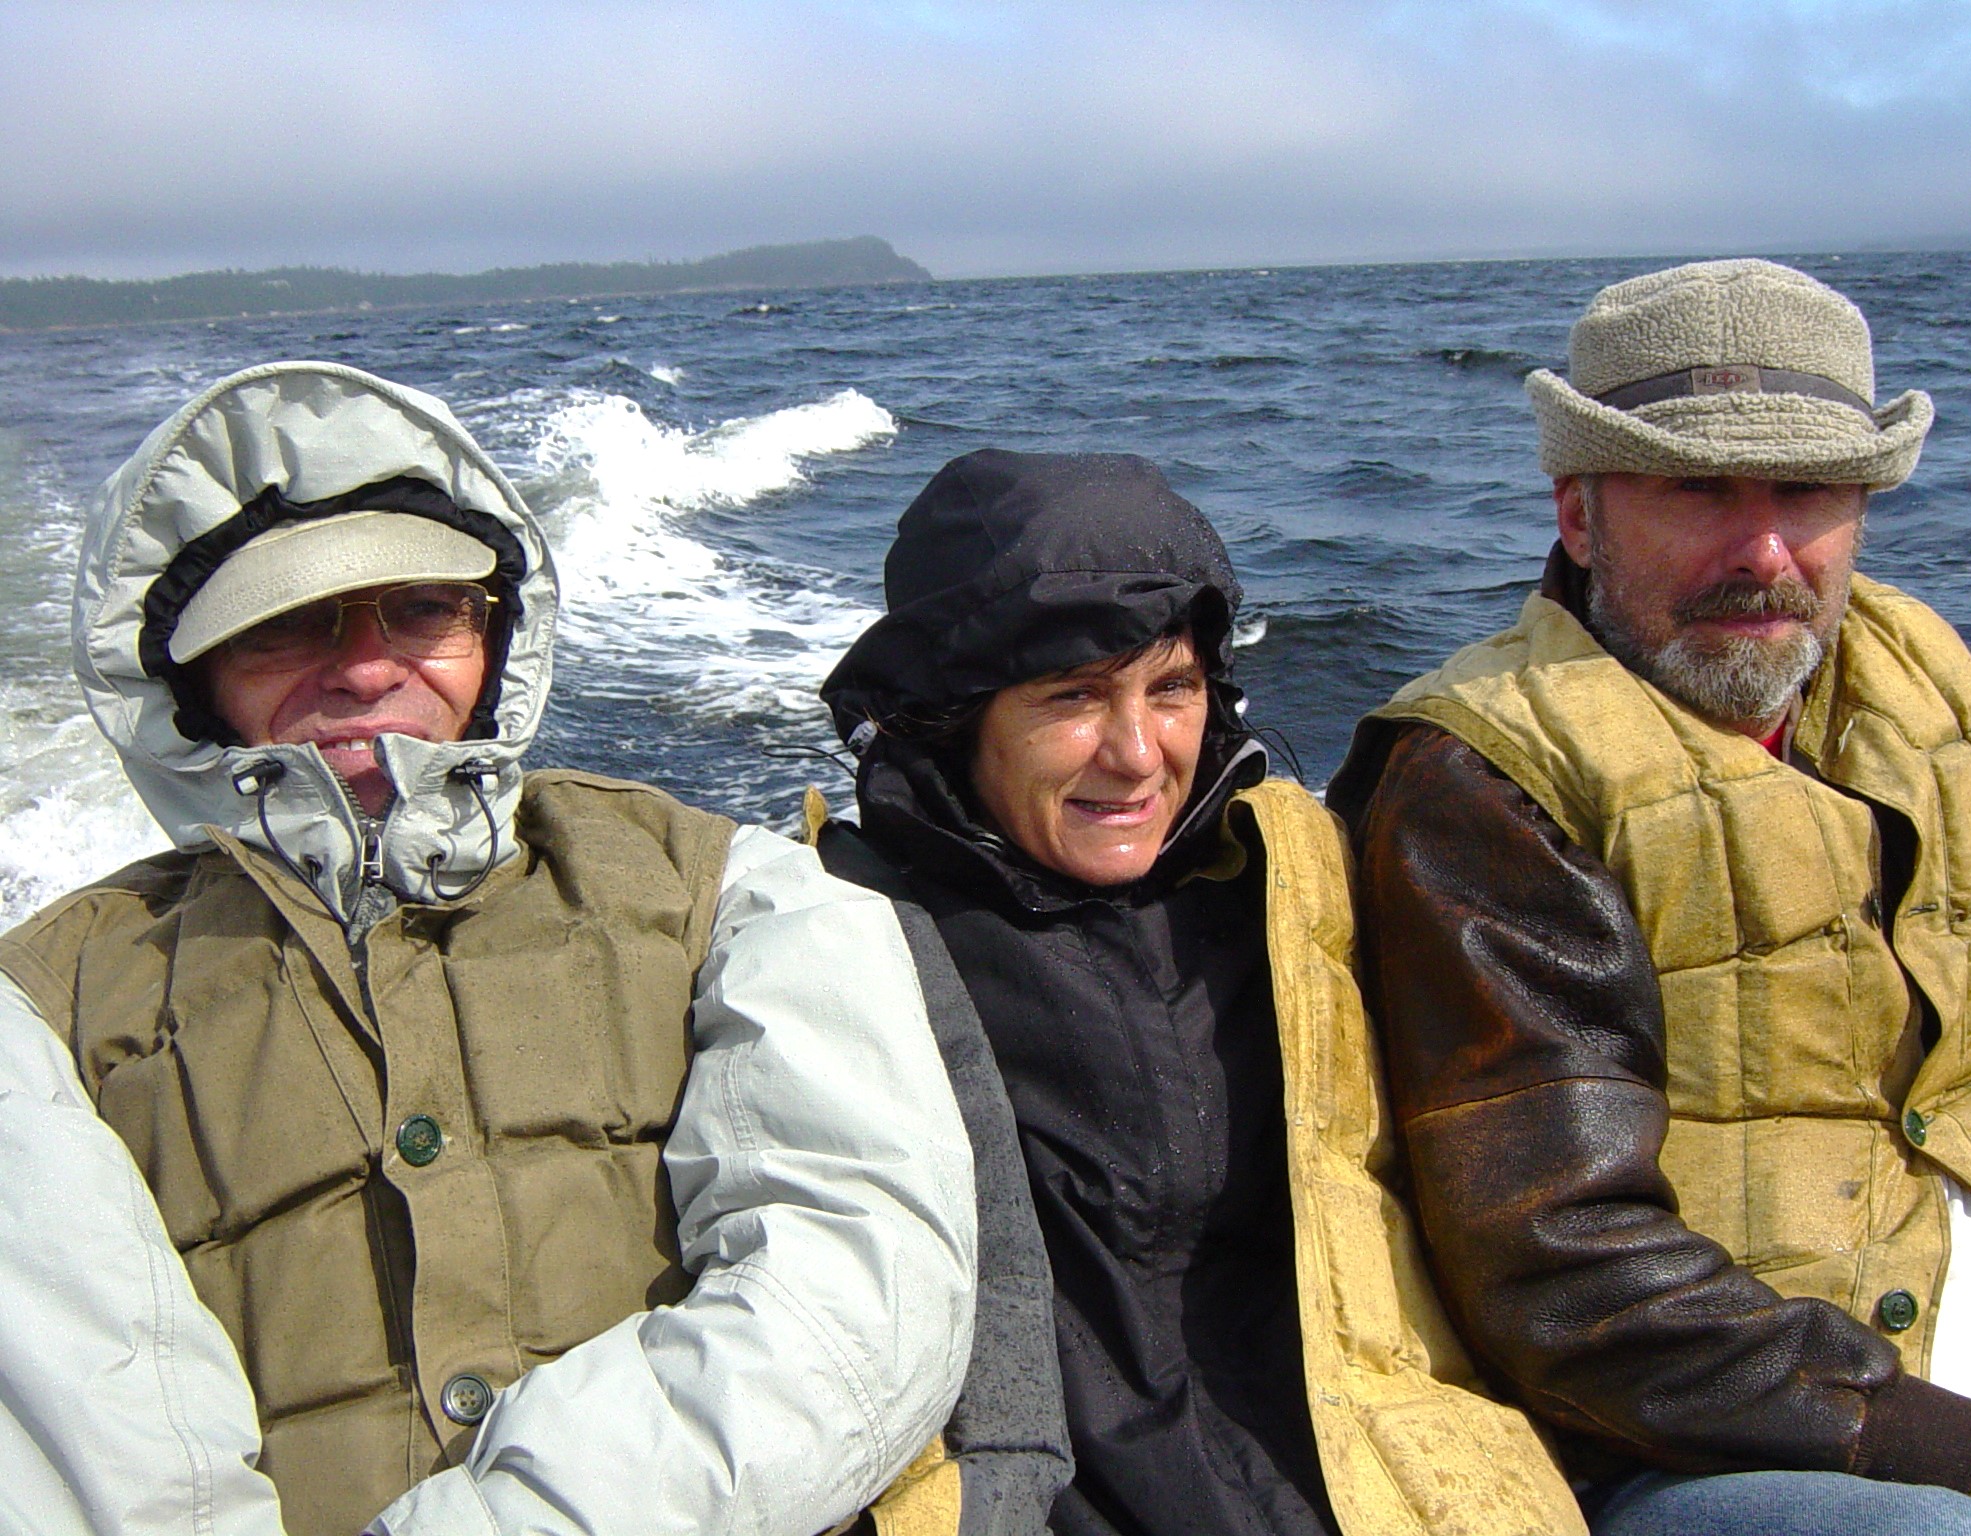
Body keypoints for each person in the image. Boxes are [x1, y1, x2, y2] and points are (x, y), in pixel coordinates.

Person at [0, 360, 978, 1536]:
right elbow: (72, 1432)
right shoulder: (43, 1005)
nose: (367, 666)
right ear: (193, 684)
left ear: (494, 635)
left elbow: (854, 1292)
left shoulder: (733, 892)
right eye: (285, 624)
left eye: (423, 610)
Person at [1326, 259, 1971, 1536]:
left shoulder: (1930, 682)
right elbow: (1563, 1276)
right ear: (1579, 516)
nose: (1762, 553)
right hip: (1715, 1436)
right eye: (1698, 490)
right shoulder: (1484, 779)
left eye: (1805, 492)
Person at [815, 448, 1584, 1536]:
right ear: (952, 713)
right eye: (1073, 696)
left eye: (1171, 688)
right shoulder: (841, 948)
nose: (1138, 754)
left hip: (1397, 1482)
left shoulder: (1301, 882)